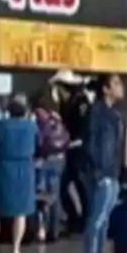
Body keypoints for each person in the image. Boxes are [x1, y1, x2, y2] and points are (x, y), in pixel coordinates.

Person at [81, 74, 125, 253]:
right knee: (97, 218)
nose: (120, 87)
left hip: (112, 172)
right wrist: (99, 171)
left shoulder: (114, 114)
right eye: (116, 83)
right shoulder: (97, 113)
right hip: (102, 172)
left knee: (105, 219)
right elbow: (92, 145)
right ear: (105, 89)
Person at [0, 97, 37, 253]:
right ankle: (16, 250)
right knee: (20, 211)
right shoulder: (31, 127)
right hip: (25, 169)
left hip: (3, 168)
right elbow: (40, 144)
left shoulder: (0, 125)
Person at [52, 70, 90, 232]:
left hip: (80, 150)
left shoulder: (81, 102)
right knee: (63, 186)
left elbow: (85, 127)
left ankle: (85, 220)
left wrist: (75, 141)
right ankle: (74, 219)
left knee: (82, 186)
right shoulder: (65, 103)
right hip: (70, 149)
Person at [33, 90, 70, 242]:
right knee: (55, 196)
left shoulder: (37, 117)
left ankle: (41, 229)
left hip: (44, 159)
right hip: (60, 159)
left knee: (41, 196)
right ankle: (54, 231)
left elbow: (38, 140)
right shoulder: (56, 116)